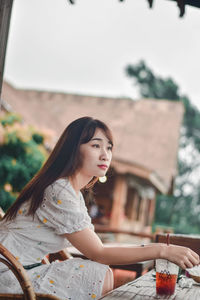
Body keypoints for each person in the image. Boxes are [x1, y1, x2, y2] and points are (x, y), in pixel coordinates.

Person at [0, 116, 199, 300]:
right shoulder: (58, 189)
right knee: (98, 272)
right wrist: (163, 251)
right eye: (96, 145)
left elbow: (95, 250)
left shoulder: (71, 192)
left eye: (109, 148)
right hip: (9, 275)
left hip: (22, 270)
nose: (105, 155)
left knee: (99, 271)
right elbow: (99, 252)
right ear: (72, 149)